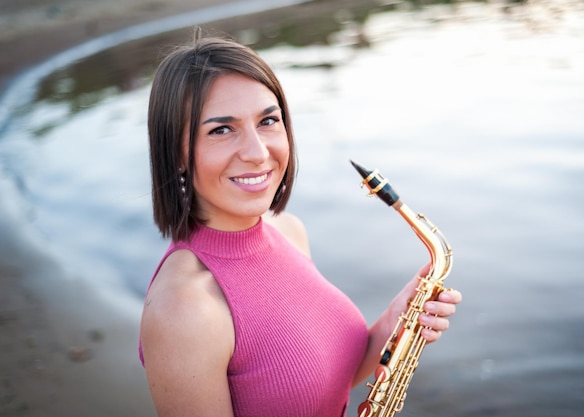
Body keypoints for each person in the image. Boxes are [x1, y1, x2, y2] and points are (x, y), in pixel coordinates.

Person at [139, 32, 462, 417]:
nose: (258, 153)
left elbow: (321, 378)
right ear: (175, 152)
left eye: (268, 121)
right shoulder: (184, 307)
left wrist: (398, 319)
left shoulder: (286, 229)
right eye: (221, 130)